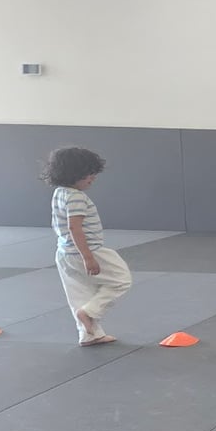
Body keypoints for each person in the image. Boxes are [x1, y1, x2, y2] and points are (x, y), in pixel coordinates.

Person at [42, 147, 132, 346]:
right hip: (88, 250)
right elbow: (75, 227)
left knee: (80, 293)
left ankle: (90, 335)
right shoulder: (76, 197)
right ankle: (90, 312)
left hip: (65, 253)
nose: (93, 178)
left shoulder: (60, 193)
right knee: (121, 279)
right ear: (74, 174)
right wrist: (88, 256)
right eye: (88, 174)